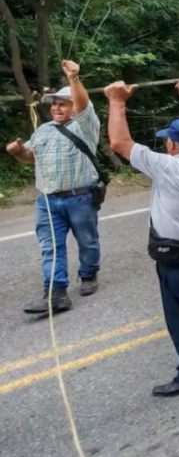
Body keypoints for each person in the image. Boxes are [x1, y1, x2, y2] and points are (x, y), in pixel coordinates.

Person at [105, 79, 179, 397]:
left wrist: (117, 100)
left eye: (167, 141)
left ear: (173, 145)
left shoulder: (169, 168)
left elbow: (119, 142)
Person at [7, 60, 103, 313]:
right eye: (54, 104)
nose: (57, 108)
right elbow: (31, 158)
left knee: (87, 241)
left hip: (80, 198)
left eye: (63, 103)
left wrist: (74, 78)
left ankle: (89, 273)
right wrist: (18, 152)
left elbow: (84, 106)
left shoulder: (85, 127)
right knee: (50, 247)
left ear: (74, 107)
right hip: (47, 200)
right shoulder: (44, 130)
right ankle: (56, 293)